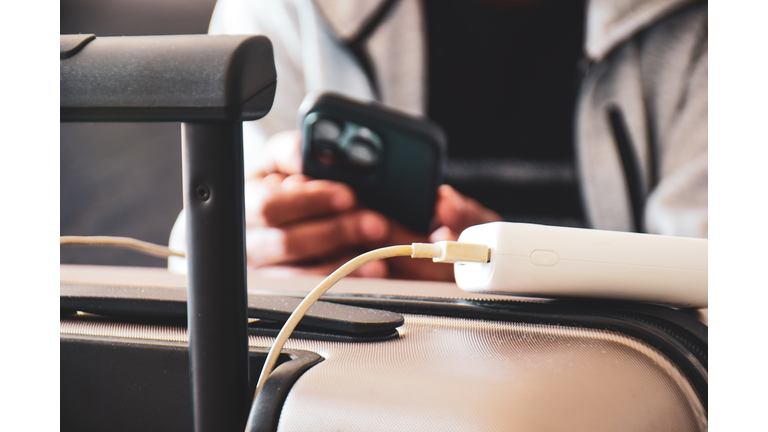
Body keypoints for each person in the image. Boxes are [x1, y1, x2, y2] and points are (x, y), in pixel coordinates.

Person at [169, 0, 707, 280]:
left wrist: (508, 281)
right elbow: (199, 251)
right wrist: (225, 253)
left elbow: (722, 308)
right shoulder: (285, 13)